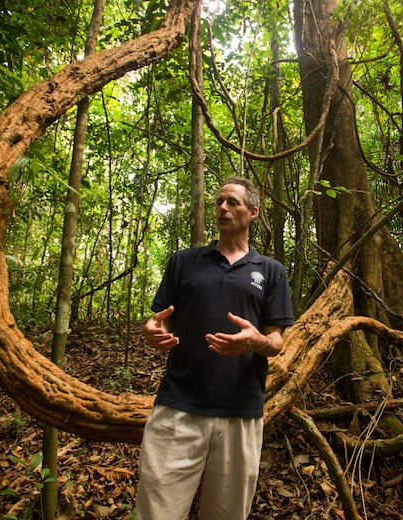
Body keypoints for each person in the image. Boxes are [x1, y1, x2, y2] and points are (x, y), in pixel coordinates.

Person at [134, 176, 294, 520]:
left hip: (241, 412)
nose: (222, 207)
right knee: (155, 512)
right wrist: (153, 329)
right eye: (219, 201)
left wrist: (257, 342)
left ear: (253, 212)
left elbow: (277, 341)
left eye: (232, 202)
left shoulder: (271, 271)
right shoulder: (184, 262)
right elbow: (162, 320)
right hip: (178, 408)